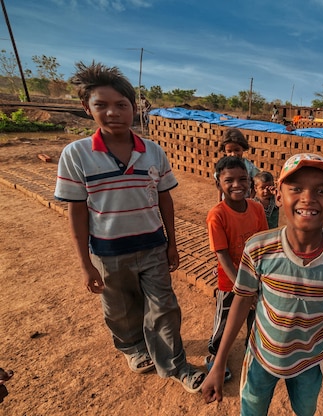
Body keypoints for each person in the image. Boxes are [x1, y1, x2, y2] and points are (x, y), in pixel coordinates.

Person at [54, 61, 205, 393]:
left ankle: (176, 365)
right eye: (102, 105)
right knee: (120, 307)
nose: (113, 112)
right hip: (108, 253)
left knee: (164, 306)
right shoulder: (76, 155)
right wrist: (84, 264)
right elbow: (76, 213)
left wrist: (172, 243)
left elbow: (165, 200)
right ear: (86, 107)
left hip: (152, 246)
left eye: (121, 105)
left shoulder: (152, 152)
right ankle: (134, 348)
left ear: (133, 108)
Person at [201, 153, 323, 415]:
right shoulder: (259, 248)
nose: (308, 197)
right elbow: (240, 301)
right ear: (278, 197)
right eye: (296, 188)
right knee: (252, 409)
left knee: (305, 411)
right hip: (261, 357)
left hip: (309, 361)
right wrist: (218, 363)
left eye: (321, 190)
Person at [205, 156, 269, 382]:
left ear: (250, 182)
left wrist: (260, 282)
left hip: (256, 279)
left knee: (256, 320)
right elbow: (222, 255)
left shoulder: (256, 208)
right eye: (229, 180)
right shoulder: (217, 215)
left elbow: (263, 244)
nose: (237, 185)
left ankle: (251, 355)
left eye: (243, 179)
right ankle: (214, 357)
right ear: (218, 184)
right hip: (230, 282)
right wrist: (243, 289)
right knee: (225, 321)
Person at [215, 128, 259, 202]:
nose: (233, 154)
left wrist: (251, 199)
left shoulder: (249, 167)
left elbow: (256, 183)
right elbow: (220, 186)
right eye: (229, 151)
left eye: (237, 150)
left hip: (244, 202)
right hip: (227, 202)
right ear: (224, 151)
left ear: (243, 148)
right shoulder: (222, 167)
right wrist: (219, 201)